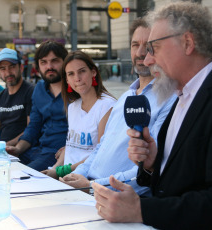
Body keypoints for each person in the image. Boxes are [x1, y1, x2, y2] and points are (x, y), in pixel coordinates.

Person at [92, 2, 212, 230]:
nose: (147, 60)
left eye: (153, 48)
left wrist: (140, 210)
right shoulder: (182, 97)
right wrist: (152, 165)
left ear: (187, 43)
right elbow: (177, 182)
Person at [59, 18, 176, 196]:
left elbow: (151, 169)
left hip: (117, 198)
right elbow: (101, 147)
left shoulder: (170, 99)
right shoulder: (125, 97)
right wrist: (77, 174)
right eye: (135, 44)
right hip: (89, 189)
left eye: (149, 45)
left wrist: (92, 186)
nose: (140, 52)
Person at [41, 51, 116, 179]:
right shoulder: (73, 106)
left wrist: (61, 171)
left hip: (87, 179)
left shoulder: (107, 106)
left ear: (93, 72)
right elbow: (70, 147)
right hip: (65, 175)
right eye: (71, 74)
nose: (77, 78)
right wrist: (54, 169)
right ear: (67, 80)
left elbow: (100, 155)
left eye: (82, 71)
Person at [6, 40, 68, 171]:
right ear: (38, 66)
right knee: (1, 167)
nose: (49, 66)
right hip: (37, 149)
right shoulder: (39, 88)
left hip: (59, 154)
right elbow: (34, 125)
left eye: (55, 61)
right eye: (43, 62)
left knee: (19, 177)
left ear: (65, 62)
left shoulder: (75, 90)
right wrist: (18, 148)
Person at [0, 48, 34, 147]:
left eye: (12, 67)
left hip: (23, 150)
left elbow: (31, 128)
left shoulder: (31, 92)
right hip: (3, 150)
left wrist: (4, 147)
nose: (8, 72)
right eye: (3, 68)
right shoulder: (1, 96)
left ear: (21, 67)